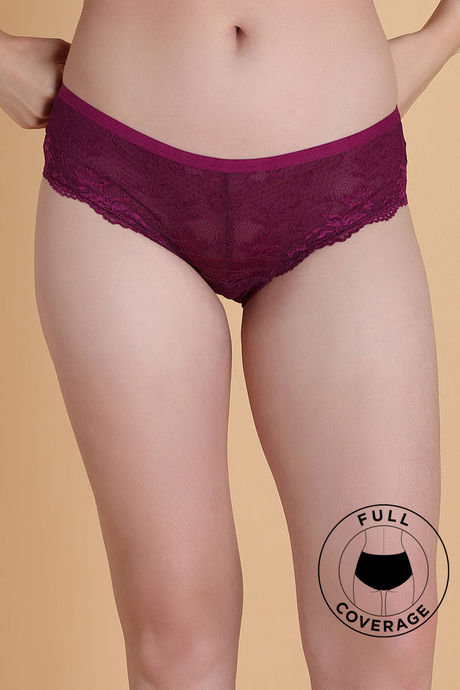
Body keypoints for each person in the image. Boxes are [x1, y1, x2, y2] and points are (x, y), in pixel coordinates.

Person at [1, 1, 458, 688]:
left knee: (387, 627)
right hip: (121, 177)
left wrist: (442, 39)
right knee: (176, 646)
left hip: (343, 179)